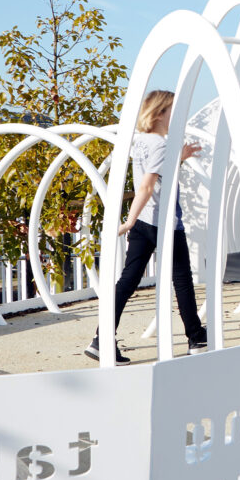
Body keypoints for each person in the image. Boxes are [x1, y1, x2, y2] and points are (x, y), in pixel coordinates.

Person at [86, 90, 209, 362]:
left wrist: (181, 157)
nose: (177, 115)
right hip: (161, 222)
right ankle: (196, 337)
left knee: (127, 281)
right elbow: (146, 185)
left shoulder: (142, 142)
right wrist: (128, 221)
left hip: (144, 223)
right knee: (182, 280)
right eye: (173, 109)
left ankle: (101, 339)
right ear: (160, 113)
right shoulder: (160, 145)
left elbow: (152, 171)